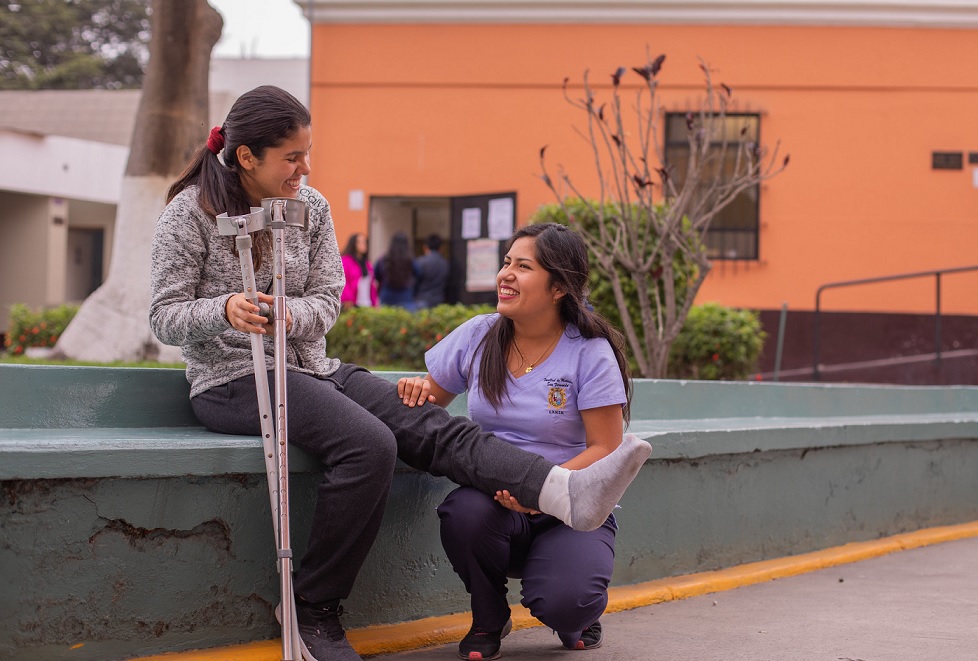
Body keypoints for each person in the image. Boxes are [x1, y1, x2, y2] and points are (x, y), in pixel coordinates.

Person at [149, 85, 651, 661]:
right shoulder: (189, 214)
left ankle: (562, 490)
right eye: (292, 157)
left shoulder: (309, 208)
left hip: (313, 367)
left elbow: (328, 299)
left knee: (429, 424)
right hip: (233, 381)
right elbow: (165, 317)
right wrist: (226, 310)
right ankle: (313, 608)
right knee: (368, 444)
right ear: (246, 157)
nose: (305, 168)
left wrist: (290, 314)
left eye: (307, 154)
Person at [396, 223, 631, 660]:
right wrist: (413, 388)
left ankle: (575, 610)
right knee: (462, 511)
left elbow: (607, 449)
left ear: (559, 286)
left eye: (523, 266)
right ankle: (488, 616)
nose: (506, 274)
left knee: (567, 606)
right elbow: (431, 398)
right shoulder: (480, 334)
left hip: (570, 507)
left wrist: (539, 488)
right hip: (494, 503)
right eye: (507, 262)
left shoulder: (589, 351)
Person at [374, 231, 417, 309]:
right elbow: (418, 273)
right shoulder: (410, 260)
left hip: (387, 297)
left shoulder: (383, 260)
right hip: (406, 297)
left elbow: (375, 275)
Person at [340, 232, 378, 309]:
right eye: (359, 242)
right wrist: (347, 299)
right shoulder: (346, 261)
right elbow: (344, 281)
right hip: (352, 303)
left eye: (364, 242)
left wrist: (374, 303)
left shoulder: (367, 264)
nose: (363, 244)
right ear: (353, 244)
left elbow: (372, 285)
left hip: (367, 303)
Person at [413, 233, 449, 308]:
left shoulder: (420, 262)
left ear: (425, 247)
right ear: (441, 248)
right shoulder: (445, 263)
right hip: (439, 301)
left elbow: (414, 282)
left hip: (421, 300)